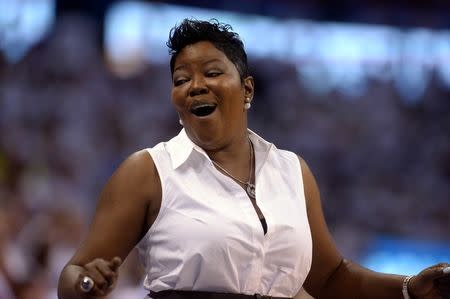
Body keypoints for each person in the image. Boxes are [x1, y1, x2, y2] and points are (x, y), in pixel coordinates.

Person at [57, 18, 450, 299]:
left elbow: (330, 279)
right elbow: (74, 274)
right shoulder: (147, 171)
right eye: (181, 80)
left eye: (211, 73)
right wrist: (86, 285)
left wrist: (407, 288)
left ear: (247, 90)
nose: (195, 87)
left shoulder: (293, 171)